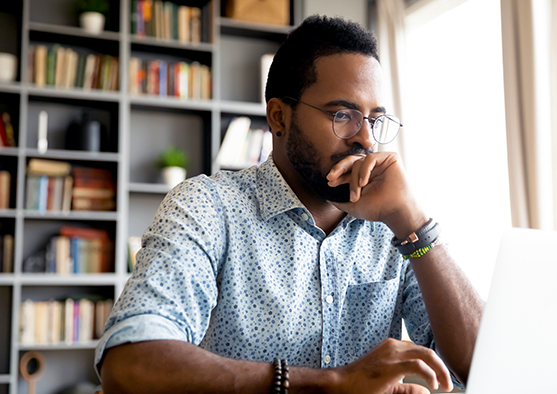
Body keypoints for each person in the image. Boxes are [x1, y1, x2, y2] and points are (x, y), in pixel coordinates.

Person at [96, 15, 483, 394]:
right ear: (279, 116)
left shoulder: (395, 226)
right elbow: (131, 364)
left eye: (375, 119)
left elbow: (479, 367)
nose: (366, 139)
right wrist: (333, 384)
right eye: (343, 115)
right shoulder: (208, 207)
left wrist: (414, 220)